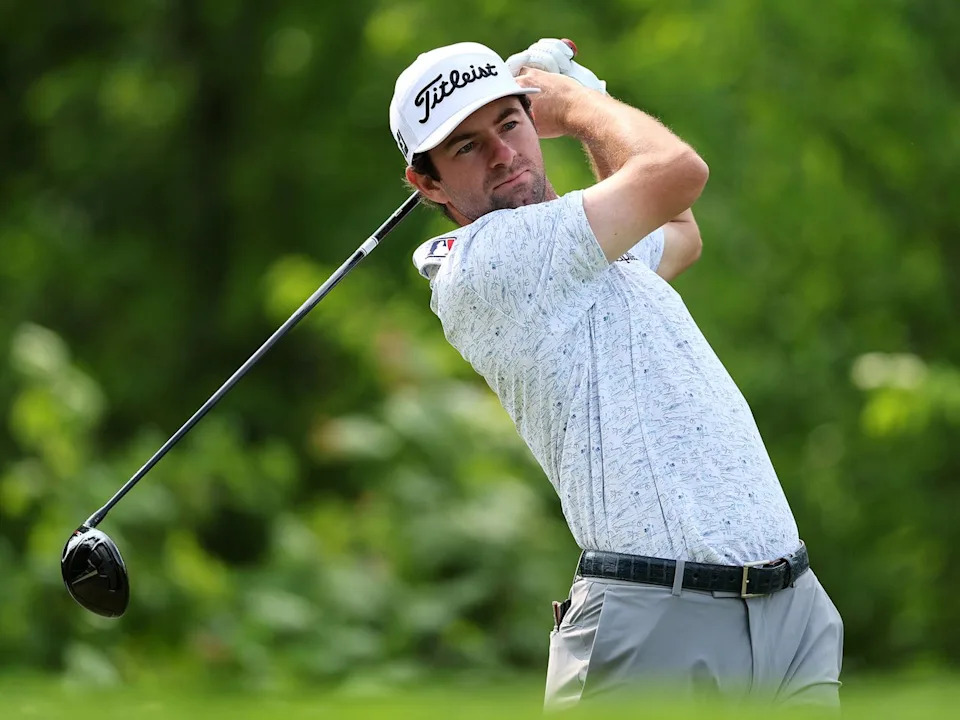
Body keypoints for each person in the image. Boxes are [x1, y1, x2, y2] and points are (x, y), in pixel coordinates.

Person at [390, 39, 843, 709]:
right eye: (466, 146)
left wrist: (577, 92)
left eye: (509, 124)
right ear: (427, 184)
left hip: (789, 609)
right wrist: (578, 103)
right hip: (659, 615)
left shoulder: (581, 244)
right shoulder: (489, 264)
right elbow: (677, 173)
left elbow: (680, 229)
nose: (502, 154)